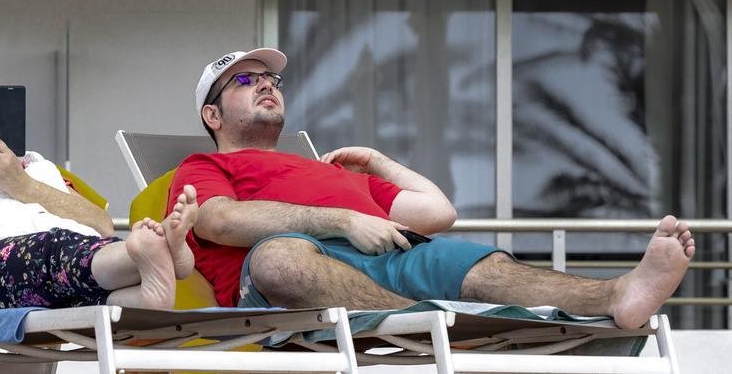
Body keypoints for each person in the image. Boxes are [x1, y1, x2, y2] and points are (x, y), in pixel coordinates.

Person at [171, 49, 696, 329]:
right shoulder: (201, 166)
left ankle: (618, 295)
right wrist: (342, 221)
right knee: (278, 260)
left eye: (271, 79)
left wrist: (379, 162)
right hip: (296, 265)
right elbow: (218, 221)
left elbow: (437, 213)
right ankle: (426, 323)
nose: (266, 83)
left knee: (476, 262)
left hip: (387, 257)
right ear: (212, 114)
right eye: (245, 80)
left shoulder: (330, 170)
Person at [0, 67, 198, 311]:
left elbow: (101, 224)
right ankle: (155, 255)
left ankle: (147, 293)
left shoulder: (34, 167)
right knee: (47, 250)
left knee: (91, 287)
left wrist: (23, 185)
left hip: (52, 275)